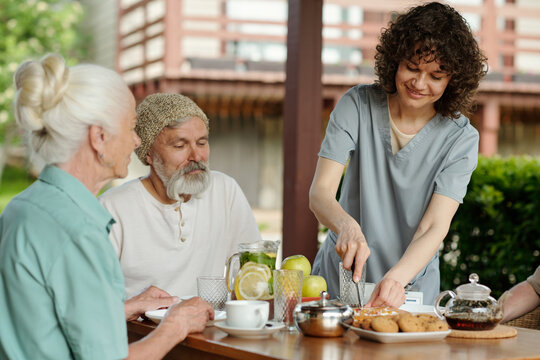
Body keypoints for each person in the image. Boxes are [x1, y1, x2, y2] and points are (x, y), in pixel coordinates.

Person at [0, 53, 213, 360]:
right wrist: (176, 325)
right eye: (130, 127)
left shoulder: (23, 208)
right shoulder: (79, 231)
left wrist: (124, 307)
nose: (137, 141)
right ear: (99, 137)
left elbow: (39, 316)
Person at [309, 2, 487, 307]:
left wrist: (395, 279)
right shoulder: (358, 105)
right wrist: (347, 226)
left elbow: (433, 226)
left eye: (436, 76)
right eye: (413, 68)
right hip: (341, 283)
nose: (419, 84)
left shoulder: (461, 138)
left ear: (453, 80)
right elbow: (320, 194)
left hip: (409, 288)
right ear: (395, 61)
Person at [99, 93, 261, 298]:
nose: (196, 156)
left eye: (202, 143)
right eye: (180, 146)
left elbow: (253, 270)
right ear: (148, 153)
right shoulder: (112, 209)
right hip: (141, 330)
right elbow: (93, 303)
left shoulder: (225, 190)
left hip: (209, 328)